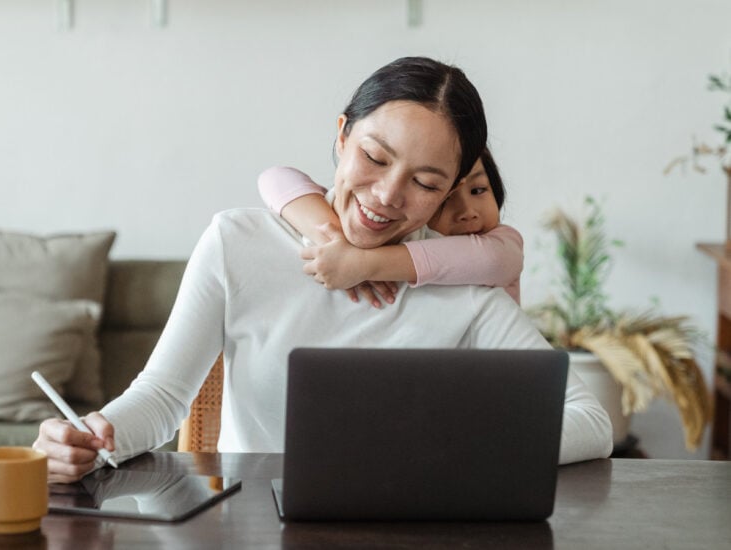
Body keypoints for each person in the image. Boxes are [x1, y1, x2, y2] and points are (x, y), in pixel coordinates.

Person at [34, 56, 612, 483]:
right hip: (250, 526)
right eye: (375, 158)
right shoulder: (238, 243)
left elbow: (590, 421)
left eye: (426, 183)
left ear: (450, 192)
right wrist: (91, 435)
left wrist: (461, 446)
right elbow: (161, 398)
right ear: (341, 137)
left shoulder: (463, 286)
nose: (386, 196)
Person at [257, 147, 522, 306]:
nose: (468, 213)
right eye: (446, 200)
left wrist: (362, 263)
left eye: (479, 190)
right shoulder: (407, 236)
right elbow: (275, 177)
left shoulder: (503, 243)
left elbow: (492, 260)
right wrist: (334, 241)